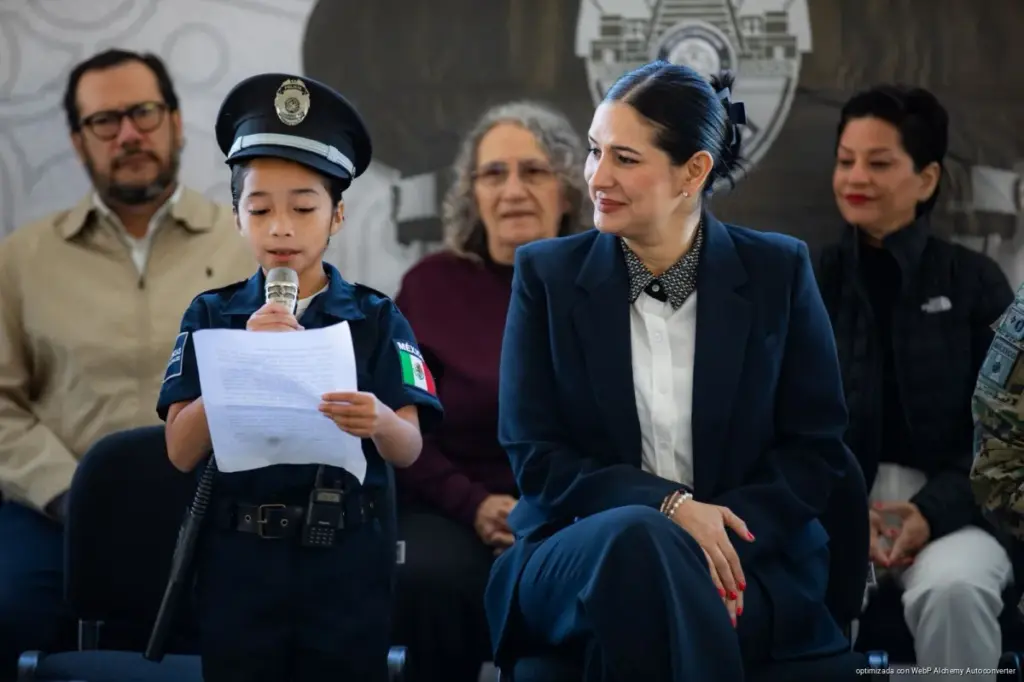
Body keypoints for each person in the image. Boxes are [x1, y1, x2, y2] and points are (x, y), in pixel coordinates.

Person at [483, 60, 851, 681]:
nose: (597, 177)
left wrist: (718, 540)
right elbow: (537, 459)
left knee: (641, 616)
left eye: (625, 159)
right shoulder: (545, 277)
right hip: (574, 552)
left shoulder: (778, 273)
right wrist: (672, 507)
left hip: (744, 557)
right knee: (638, 537)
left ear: (694, 171)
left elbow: (814, 452)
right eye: (595, 151)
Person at [155, 73, 443, 682]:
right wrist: (239, 368)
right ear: (237, 217)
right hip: (239, 562)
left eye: (304, 207)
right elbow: (180, 452)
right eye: (259, 209)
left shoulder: (375, 314)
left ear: (337, 216)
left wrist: (380, 420)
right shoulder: (213, 314)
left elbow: (411, 446)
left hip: (345, 558)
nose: (281, 227)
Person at [0, 48, 253, 677]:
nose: (129, 135)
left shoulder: (250, 243)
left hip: (225, 506)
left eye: (143, 112)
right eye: (104, 122)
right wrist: (71, 494)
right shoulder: (23, 259)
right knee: (5, 607)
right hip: (54, 512)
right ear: (78, 141)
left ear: (175, 120)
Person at [816, 84, 1014, 680]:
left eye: (879, 163)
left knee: (954, 591)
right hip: (831, 510)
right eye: (846, 160)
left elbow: (1007, 436)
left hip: (961, 512)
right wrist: (845, 509)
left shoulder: (976, 283)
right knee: (800, 590)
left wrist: (933, 510)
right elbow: (780, 423)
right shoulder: (805, 279)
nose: (857, 177)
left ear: (927, 179)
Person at [391, 100, 589, 682]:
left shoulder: (606, 284)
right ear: (471, 193)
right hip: (449, 511)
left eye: (534, 171)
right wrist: (473, 504)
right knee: (425, 580)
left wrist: (550, 513)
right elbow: (402, 428)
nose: (513, 190)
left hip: (573, 516)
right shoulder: (427, 289)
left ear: (569, 189)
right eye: (494, 174)